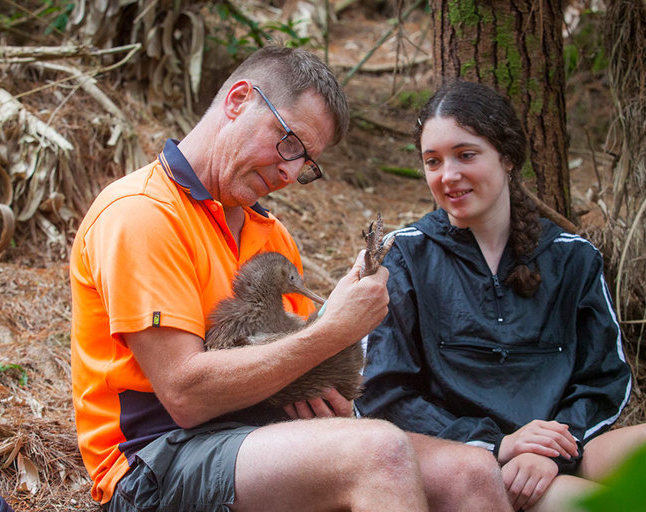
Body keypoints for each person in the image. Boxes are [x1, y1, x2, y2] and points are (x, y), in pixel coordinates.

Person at [70, 47, 514, 511]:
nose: (289, 172)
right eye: (288, 142)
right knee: (378, 452)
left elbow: (293, 366)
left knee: (473, 473)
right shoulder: (141, 214)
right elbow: (185, 395)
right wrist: (333, 331)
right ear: (239, 100)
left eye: (306, 163)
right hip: (155, 461)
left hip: (259, 434)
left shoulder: (271, 236)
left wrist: (328, 403)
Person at [354, 80, 646, 512]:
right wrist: (499, 444)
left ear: (506, 158)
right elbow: (383, 394)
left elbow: (603, 379)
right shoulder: (405, 257)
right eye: (433, 161)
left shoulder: (572, 258)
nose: (448, 175)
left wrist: (553, 445)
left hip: (556, 448)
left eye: (466, 155)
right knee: (591, 505)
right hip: (470, 459)